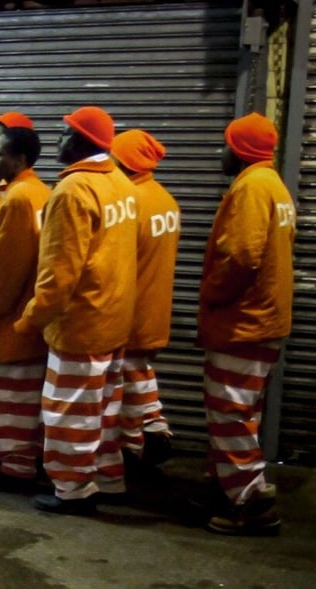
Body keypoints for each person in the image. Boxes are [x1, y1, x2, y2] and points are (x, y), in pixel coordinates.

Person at [14, 106, 137, 515]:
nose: (58, 141)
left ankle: (73, 491)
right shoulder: (121, 183)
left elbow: (59, 273)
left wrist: (31, 318)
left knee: (68, 412)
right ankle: (108, 480)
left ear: (82, 141)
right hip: (115, 319)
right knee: (103, 410)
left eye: (64, 134)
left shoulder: (72, 191)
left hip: (81, 322)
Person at [199, 112, 294, 536]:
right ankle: (234, 487)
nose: (220, 151)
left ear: (239, 150)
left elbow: (241, 256)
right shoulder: (273, 185)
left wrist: (214, 296)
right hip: (262, 319)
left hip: (243, 321)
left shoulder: (253, 187)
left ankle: (250, 502)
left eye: (225, 144)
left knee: (230, 413)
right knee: (242, 412)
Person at [0, 123, 51, 493]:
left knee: (10, 398)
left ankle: (16, 469)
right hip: (26, 319)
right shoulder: (35, 192)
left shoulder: (18, 198)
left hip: (9, 321)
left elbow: (6, 265)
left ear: (19, 159)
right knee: (23, 399)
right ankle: (25, 461)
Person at [110, 129, 180, 469]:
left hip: (131, 308)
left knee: (123, 380)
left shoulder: (129, 202)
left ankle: (135, 446)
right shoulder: (164, 199)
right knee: (139, 372)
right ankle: (154, 429)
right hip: (155, 308)